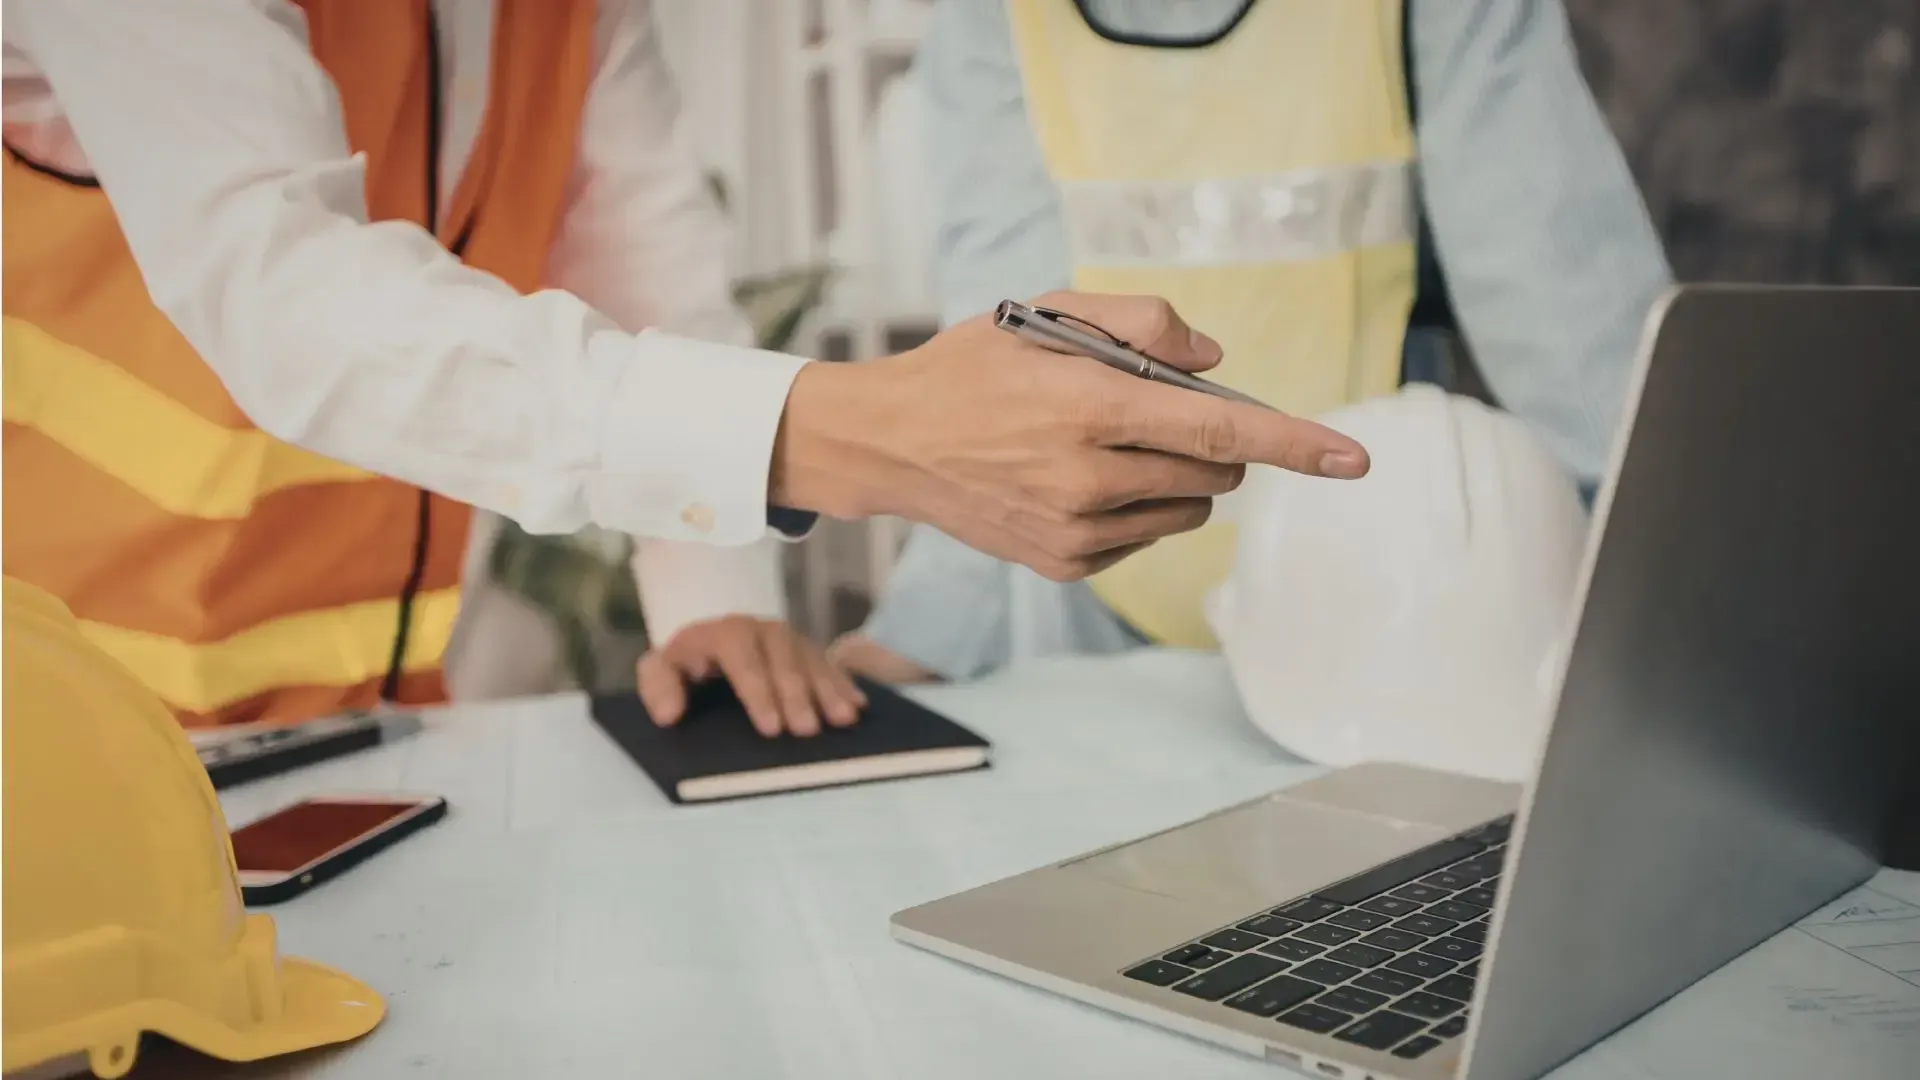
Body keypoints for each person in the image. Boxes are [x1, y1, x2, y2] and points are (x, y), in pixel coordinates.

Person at [1, 2, 1369, 735]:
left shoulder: (573, 16)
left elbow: (652, 271)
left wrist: (710, 599)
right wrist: (863, 435)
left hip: (360, 736)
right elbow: (286, 300)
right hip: (64, 733)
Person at [831, 0, 1673, 684]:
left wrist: (1685, 603)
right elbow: (999, 379)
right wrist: (912, 642)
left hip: (1389, 614)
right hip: (1094, 634)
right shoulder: (994, 23)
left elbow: (1587, 355)